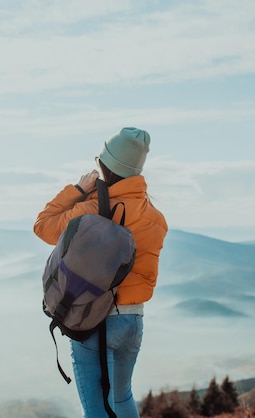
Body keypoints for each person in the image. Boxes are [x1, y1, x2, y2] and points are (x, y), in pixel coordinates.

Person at [33, 127, 168, 417]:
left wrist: (79, 189)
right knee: (121, 399)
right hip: (134, 320)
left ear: (104, 167)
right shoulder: (155, 217)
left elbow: (43, 226)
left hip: (96, 321)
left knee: (95, 409)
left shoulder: (91, 209)